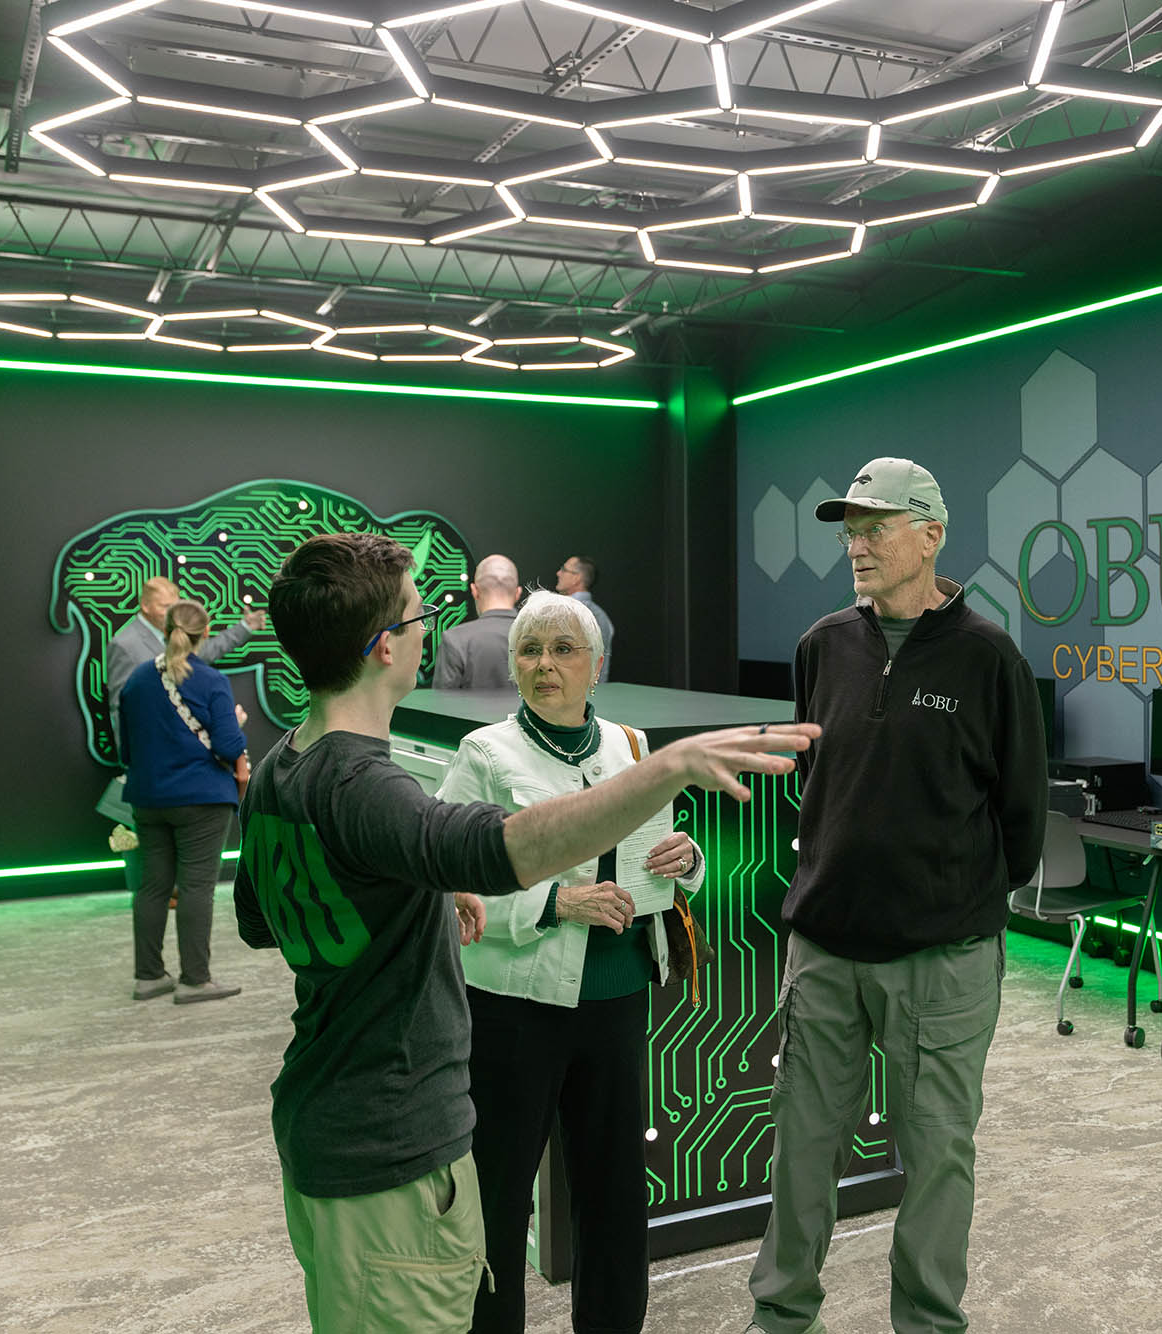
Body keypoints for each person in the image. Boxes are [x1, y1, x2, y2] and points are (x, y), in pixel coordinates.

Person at [231, 531, 818, 1334]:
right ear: (383, 647)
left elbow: (261, 920)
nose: (431, 633)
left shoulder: (281, 766)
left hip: (329, 1115)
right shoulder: (370, 784)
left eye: (565, 650)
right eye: (418, 617)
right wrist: (666, 772)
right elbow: (493, 850)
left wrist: (425, 892)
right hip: (390, 1133)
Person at [746, 458, 1047, 1334]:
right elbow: (820, 782)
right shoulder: (822, 646)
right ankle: (782, 1315)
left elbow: (1022, 818)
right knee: (801, 1148)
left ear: (930, 535)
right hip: (824, 951)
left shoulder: (989, 658)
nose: (857, 546)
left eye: (875, 527)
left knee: (938, 1157)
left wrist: (946, 899)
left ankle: (926, 1322)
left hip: (941, 963)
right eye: (850, 531)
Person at [438, 590, 705, 1334]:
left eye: (563, 650)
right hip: (514, 1010)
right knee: (499, 1198)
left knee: (614, 1195)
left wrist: (688, 862)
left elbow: (659, 860)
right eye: (530, 650)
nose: (544, 665)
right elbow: (451, 887)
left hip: (618, 1001)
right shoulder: (485, 754)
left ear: (597, 664)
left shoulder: (631, 746)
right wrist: (555, 904)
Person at [118, 598, 251, 1004]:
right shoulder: (211, 681)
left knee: (152, 887)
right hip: (202, 799)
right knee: (196, 887)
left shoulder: (137, 680)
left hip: (148, 797)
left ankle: (148, 977)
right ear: (205, 633)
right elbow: (228, 746)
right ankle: (195, 979)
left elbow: (126, 751)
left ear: (164, 630)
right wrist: (237, 724)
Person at [106, 576, 264, 748]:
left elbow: (206, 651)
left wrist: (245, 627)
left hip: (183, 745)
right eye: (165, 607)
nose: (172, 613)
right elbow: (120, 706)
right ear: (145, 606)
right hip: (152, 749)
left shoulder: (176, 633)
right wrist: (130, 755)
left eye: (175, 606)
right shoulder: (124, 645)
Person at [437, 555, 523, 690]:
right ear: (518, 593)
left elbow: (442, 699)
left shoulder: (455, 640)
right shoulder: (539, 636)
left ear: (474, 591)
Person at [556, 555, 614, 682]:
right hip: (596, 690)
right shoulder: (602, 616)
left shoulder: (562, 613)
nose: (558, 573)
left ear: (576, 578)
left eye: (564, 569)